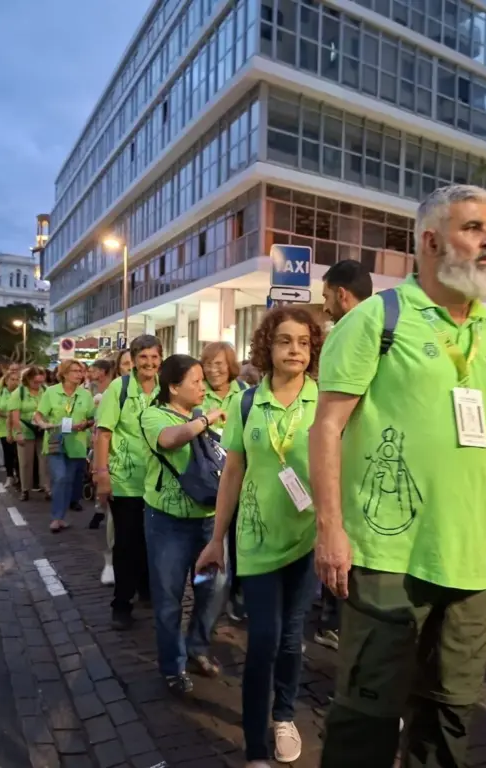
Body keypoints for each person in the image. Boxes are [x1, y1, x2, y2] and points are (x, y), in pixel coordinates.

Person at [311, 185, 486, 767]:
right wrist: (330, 528)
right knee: (366, 719)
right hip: (385, 560)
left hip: (467, 567)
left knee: (449, 719)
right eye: (475, 227)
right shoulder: (376, 321)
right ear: (431, 241)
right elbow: (326, 427)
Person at [197, 307, 323, 767]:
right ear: (267, 347)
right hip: (255, 539)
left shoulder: (327, 400)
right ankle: (254, 749)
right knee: (265, 639)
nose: (295, 350)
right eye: (286, 340)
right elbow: (232, 471)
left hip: (308, 538)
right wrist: (216, 540)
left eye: (304, 342)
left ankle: (284, 715)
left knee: (292, 638)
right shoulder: (245, 402)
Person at [140, 354, 228, 693]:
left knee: (213, 589)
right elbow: (169, 440)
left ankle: (197, 648)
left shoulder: (204, 413)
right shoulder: (153, 415)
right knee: (168, 598)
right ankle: (173, 666)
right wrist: (205, 420)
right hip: (168, 525)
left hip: (208, 524)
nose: (202, 386)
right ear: (174, 387)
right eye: (195, 381)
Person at [316, 261, 372, 651]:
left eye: (326, 297)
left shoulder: (353, 331)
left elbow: (328, 425)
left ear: (341, 293)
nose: (325, 307)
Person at [95, 336, 162, 629]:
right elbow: (103, 433)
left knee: (153, 541)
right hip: (125, 480)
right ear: (133, 359)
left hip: (158, 482)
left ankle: (147, 590)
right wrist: (102, 475)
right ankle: (121, 603)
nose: (149, 363)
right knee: (126, 544)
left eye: (154, 357)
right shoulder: (118, 389)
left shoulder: (166, 387)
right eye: (143, 357)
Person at [201, 341, 247, 621]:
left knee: (240, 541)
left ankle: (237, 596)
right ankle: (209, 602)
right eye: (207, 364)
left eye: (218, 363)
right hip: (208, 478)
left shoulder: (244, 393)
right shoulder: (197, 391)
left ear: (230, 365)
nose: (212, 369)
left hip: (239, 474)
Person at [33, 359, 93, 533]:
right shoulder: (51, 392)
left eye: (81, 371)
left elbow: (92, 417)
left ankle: (63, 514)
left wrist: (85, 424)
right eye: (75, 371)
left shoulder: (85, 395)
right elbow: (38, 415)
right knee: (60, 478)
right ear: (64, 373)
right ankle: (56, 517)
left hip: (77, 443)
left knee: (70, 481)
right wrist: (43, 424)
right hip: (55, 442)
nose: (79, 374)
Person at [86, 358, 117, 583]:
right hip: (114, 465)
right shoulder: (110, 393)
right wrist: (99, 467)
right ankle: (111, 561)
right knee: (113, 519)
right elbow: (100, 433)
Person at [10, 366, 50, 503]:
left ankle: (46, 488)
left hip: (42, 428)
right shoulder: (18, 393)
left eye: (41, 382)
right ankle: (25, 489)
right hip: (25, 428)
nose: (38, 385)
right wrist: (18, 433)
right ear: (28, 380)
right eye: (35, 382)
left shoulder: (46, 391)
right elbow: (14, 416)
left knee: (44, 459)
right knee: (25, 462)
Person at [0, 365, 21, 491]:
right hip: (4, 428)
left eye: (17, 379)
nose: (15, 382)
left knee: (18, 454)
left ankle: (20, 478)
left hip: (18, 427)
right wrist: (8, 415)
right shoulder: (0, 392)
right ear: (6, 381)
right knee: (8, 453)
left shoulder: (21, 393)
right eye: (12, 379)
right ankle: (10, 476)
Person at [322, 258, 373, 323]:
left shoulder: (348, 332)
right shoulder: (383, 327)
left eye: (327, 297)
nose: (325, 308)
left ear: (341, 295)